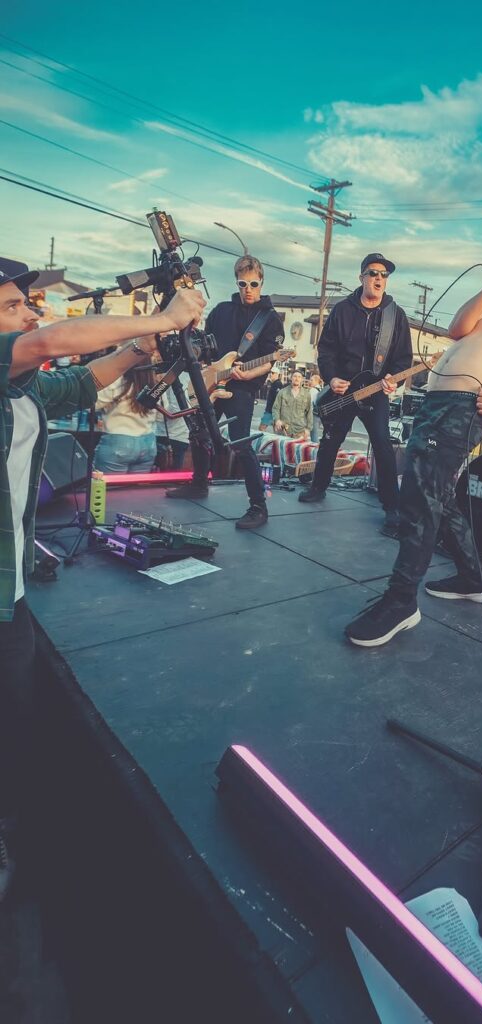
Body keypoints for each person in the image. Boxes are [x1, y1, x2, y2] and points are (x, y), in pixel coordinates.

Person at [0, 256, 204, 902]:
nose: (29, 312)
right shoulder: (20, 355)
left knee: (15, 712)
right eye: (12, 306)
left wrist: (139, 350)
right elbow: (51, 341)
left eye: (26, 304)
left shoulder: (25, 387)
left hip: (11, 589)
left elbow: (85, 380)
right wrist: (162, 314)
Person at [345, 266, 482, 647]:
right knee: (437, 496)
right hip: (436, 402)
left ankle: (401, 600)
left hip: (465, 410)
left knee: (419, 498)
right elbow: (458, 329)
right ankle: (474, 578)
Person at [166, 254, 284, 529]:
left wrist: (248, 373)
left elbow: (270, 360)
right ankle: (198, 484)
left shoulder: (270, 318)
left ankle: (258, 506)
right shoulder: (220, 311)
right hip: (212, 383)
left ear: (261, 282)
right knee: (198, 432)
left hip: (241, 389)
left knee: (240, 443)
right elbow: (206, 347)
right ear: (237, 282)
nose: (248, 290)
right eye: (243, 284)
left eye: (253, 284)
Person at [298, 253, 412, 536]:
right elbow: (326, 349)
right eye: (373, 273)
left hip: (375, 391)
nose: (378, 279)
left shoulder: (395, 315)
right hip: (344, 388)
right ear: (361, 277)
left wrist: (392, 379)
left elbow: (403, 359)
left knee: (383, 446)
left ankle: (391, 507)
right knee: (330, 439)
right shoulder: (342, 310)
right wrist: (332, 376)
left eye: (384, 275)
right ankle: (318, 486)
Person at [94, 366, 159, 473]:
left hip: (119, 442)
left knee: (108, 488)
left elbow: (91, 404)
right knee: (136, 489)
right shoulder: (156, 385)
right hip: (148, 443)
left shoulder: (117, 382)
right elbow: (162, 415)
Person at [271, 369, 313, 439]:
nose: (297, 379)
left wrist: (308, 429)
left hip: (299, 431)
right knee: (282, 449)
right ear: (291, 378)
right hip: (283, 430)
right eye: (295, 376)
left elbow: (309, 412)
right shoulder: (282, 392)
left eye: (299, 377)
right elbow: (276, 408)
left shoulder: (306, 394)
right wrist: (277, 420)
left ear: (302, 379)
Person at [308, 372, 322, 443]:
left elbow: (309, 404)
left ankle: (315, 449)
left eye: (311, 380)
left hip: (313, 415)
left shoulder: (313, 390)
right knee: (315, 432)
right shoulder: (320, 389)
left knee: (313, 434)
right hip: (320, 414)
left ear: (316, 381)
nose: (310, 381)